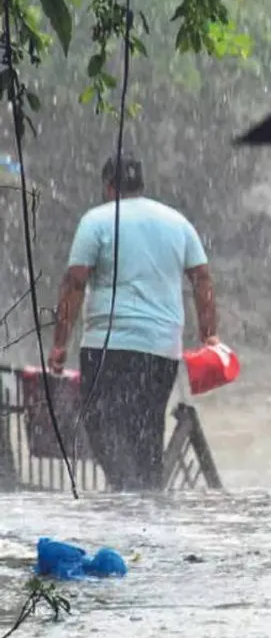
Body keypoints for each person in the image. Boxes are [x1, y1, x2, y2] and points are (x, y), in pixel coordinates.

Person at [48, 153, 220, 491]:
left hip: (108, 347)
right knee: (147, 429)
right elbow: (202, 278)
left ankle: (130, 497)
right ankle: (147, 503)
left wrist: (59, 344)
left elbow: (75, 283)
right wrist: (209, 335)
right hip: (161, 350)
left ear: (108, 186)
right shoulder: (177, 222)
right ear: (140, 185)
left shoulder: (97, 221)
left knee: (101, 424)